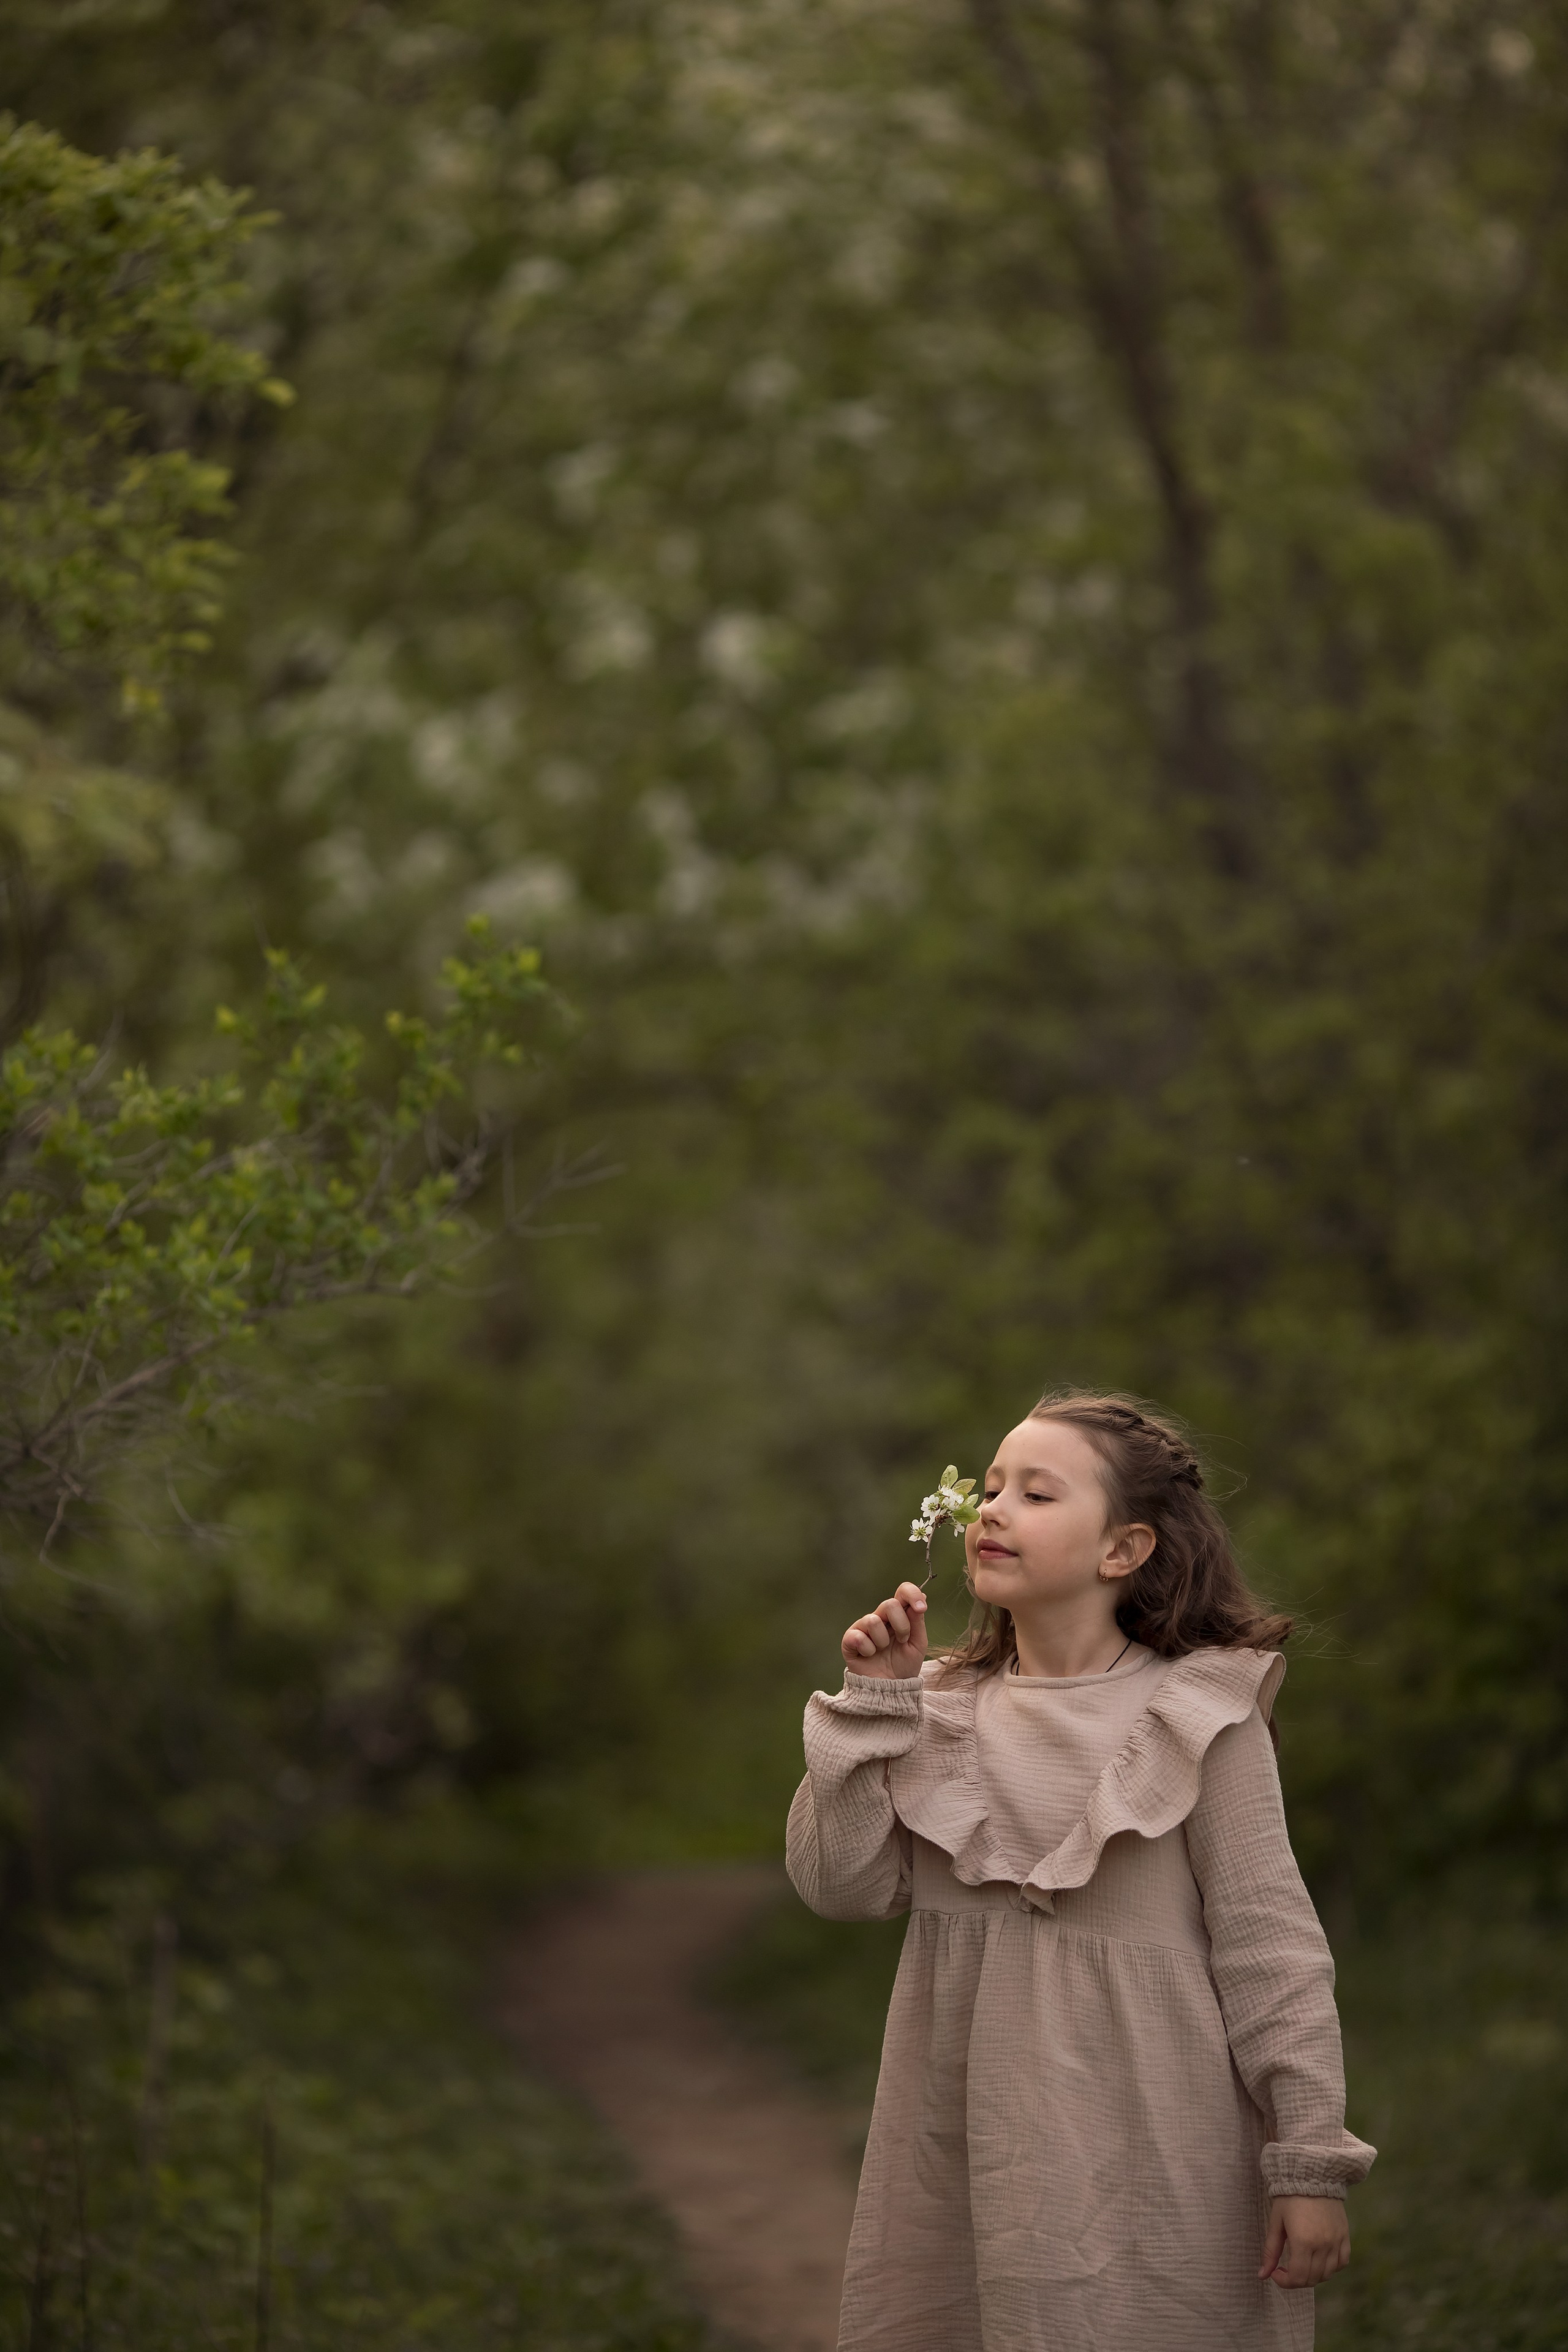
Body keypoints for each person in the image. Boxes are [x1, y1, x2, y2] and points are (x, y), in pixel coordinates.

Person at [786, 1390, 1374, 2352]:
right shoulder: (929, 1709)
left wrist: (1306, 2165)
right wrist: (870, 1711)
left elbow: (1271, 1947)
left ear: (1123, 1551)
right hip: (967, 2151)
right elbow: (839, 1890)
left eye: (1038, 1493)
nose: (992, 1511)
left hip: (1157, 2139)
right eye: (988, 1488)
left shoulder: (1200, 1716)